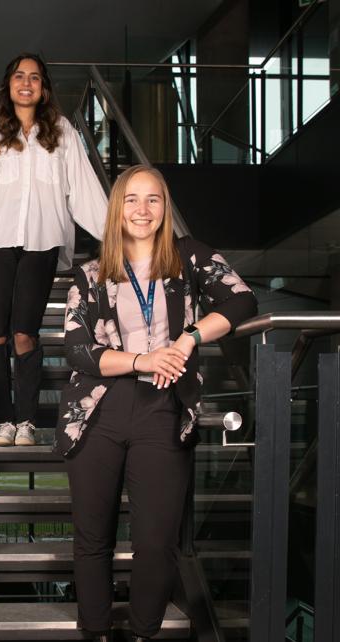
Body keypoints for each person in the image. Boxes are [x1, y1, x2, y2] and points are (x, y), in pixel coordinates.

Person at [60, 166, 257, 641]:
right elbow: (77, 349)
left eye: (153, 200)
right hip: (98, 413)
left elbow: (241, 301)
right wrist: (142, 359)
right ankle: (96, 632)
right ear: (116, 209)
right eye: (131, 200)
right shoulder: (89, 274)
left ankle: (144, 633)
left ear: (165, 208)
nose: (142, 210)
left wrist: (188, 339)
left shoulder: (191, 258)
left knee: (155, 541)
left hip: (165, 410)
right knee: (93, 541)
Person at [0, 52, 107, 447]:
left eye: (34, 78)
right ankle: (2, 422)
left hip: (42, 244)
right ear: (8, 86)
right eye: (18, 76)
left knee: (24, 332)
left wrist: (117, 234)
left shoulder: (62, 134)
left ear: (43, 89)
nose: (26, 83)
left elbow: (83, 193)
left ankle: (26, 421)